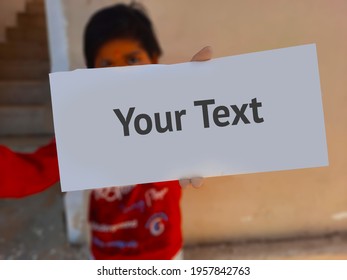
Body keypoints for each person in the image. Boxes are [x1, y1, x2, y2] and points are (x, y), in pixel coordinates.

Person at [0, 2, 211, 259]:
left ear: (154, 60)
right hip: (106, 253)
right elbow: (30, 174)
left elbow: (211, 137)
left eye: (132, 59)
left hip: (162, 252)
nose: (121, 73)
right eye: (107, 65)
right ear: (93, 74)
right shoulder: (86, 127)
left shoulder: (175, 111)